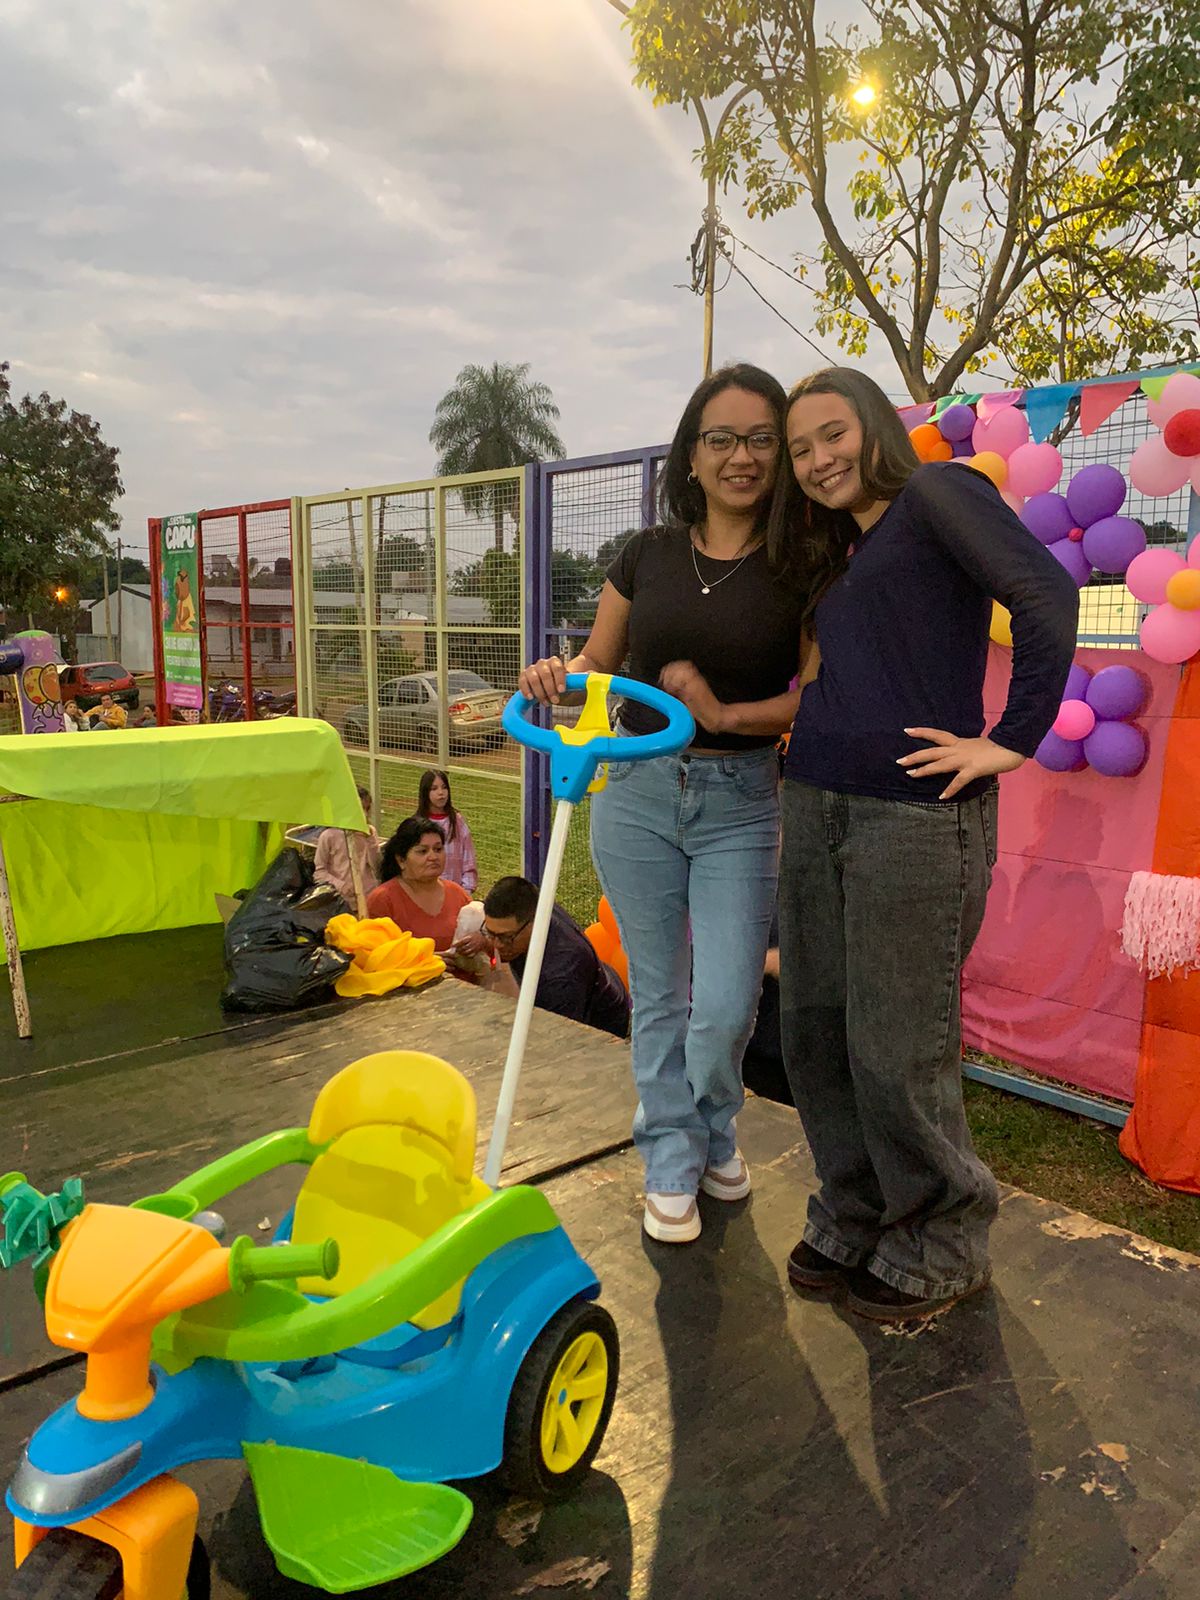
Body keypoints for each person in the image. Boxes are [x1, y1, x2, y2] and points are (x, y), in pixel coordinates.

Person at [775, 367, 1078, 1324]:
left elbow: (1046, 596)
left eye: (832, 435)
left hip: (910, 821)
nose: (819, 460)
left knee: (897, 1045)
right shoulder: (845, 553)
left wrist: (1012, 740)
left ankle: (941, 1237)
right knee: (815, 1030)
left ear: (871, 427)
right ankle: (858, 1210)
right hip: (817, 804)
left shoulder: (939, 492)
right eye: (801, 450)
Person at [519, 364, 807, 1245]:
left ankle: (715, 1126)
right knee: (660, 996)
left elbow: (811, 697)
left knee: (725, 1004)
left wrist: (721, 714)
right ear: (692, 454)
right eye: (720, 438)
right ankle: (674, 1155)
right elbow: (594, 673)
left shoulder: (801, 565)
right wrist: (551, 680)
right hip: (639, 793)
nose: (741, 456)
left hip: (741, 801)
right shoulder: (645, 556)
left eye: (761, 438)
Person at [482, 876, 630, 1039]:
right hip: (596, 983)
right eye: (490, 933)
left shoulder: (560, 976)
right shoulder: (533, 902)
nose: (496, 945)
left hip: (600, 1025)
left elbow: (558, 1042)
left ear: (534, 923)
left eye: (505, 937)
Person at [366, 816, 473, 955]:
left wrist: (479, 940)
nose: (433, 857)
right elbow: (376, 954)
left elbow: (486, 935)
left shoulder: (457, 893)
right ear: (401, 860)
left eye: (438, 849)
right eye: (423, 851)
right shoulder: (382, 899)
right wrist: (425, 960)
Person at [313, 785, 382, 909]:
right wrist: (341, 886)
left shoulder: (370, 832)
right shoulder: (329, 836)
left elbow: (377, 866)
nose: (364, 815)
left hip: (369, 898)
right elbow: (319, 872)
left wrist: (370, 841)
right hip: (343, 901)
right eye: (359, 810)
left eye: (367, 809)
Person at [415, 769, 478, 893]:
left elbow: (469, 860)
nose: (441, 793)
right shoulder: (417, 825)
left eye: (444, 787)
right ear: (425, 793)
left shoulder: (457, 822)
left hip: (456, 893)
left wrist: (466, 891)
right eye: (434, 789)